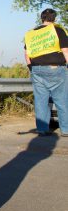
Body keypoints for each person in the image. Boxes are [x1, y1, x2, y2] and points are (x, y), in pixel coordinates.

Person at [23, 8, 68, 136]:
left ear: (41, 18)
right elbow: (65, 51)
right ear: (54, 19)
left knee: (40, 101)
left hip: (37, 69)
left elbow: (27, 55)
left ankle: (42, 129)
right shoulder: (58, 30)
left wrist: (32, 68)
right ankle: (65, 130)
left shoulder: (31, 33)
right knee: (62, 100)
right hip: (57, 68)